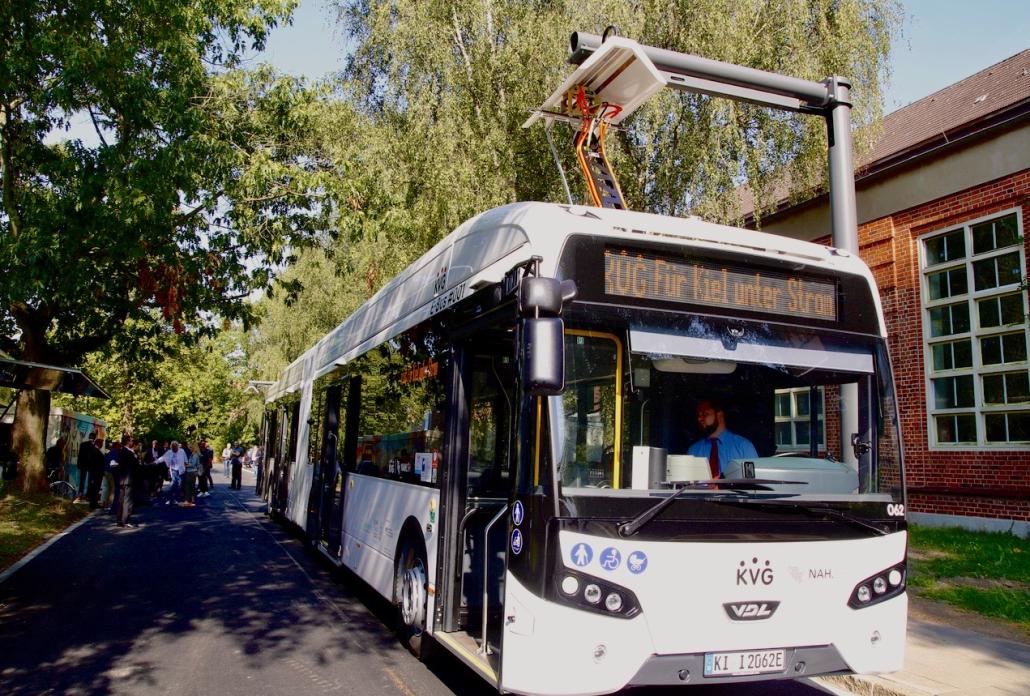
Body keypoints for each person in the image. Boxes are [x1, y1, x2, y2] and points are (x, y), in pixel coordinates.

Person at [687, 399, 757, 479]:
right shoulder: (693, 451)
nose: (700, 419)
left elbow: (754, 483)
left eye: (705, 414)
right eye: (699, 415)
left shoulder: (744, 447)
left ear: (719, 415)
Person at [111, 435, 140, 527]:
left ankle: (119, 519)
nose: (133, 443)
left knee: (120, 500)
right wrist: (136, 457)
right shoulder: (130, 453)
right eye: (131, 441)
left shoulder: (121, 451)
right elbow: (135, 467)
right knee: (128, 500)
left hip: (121, 479)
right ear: (128, 442)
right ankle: (126, 520)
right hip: (129, 479)